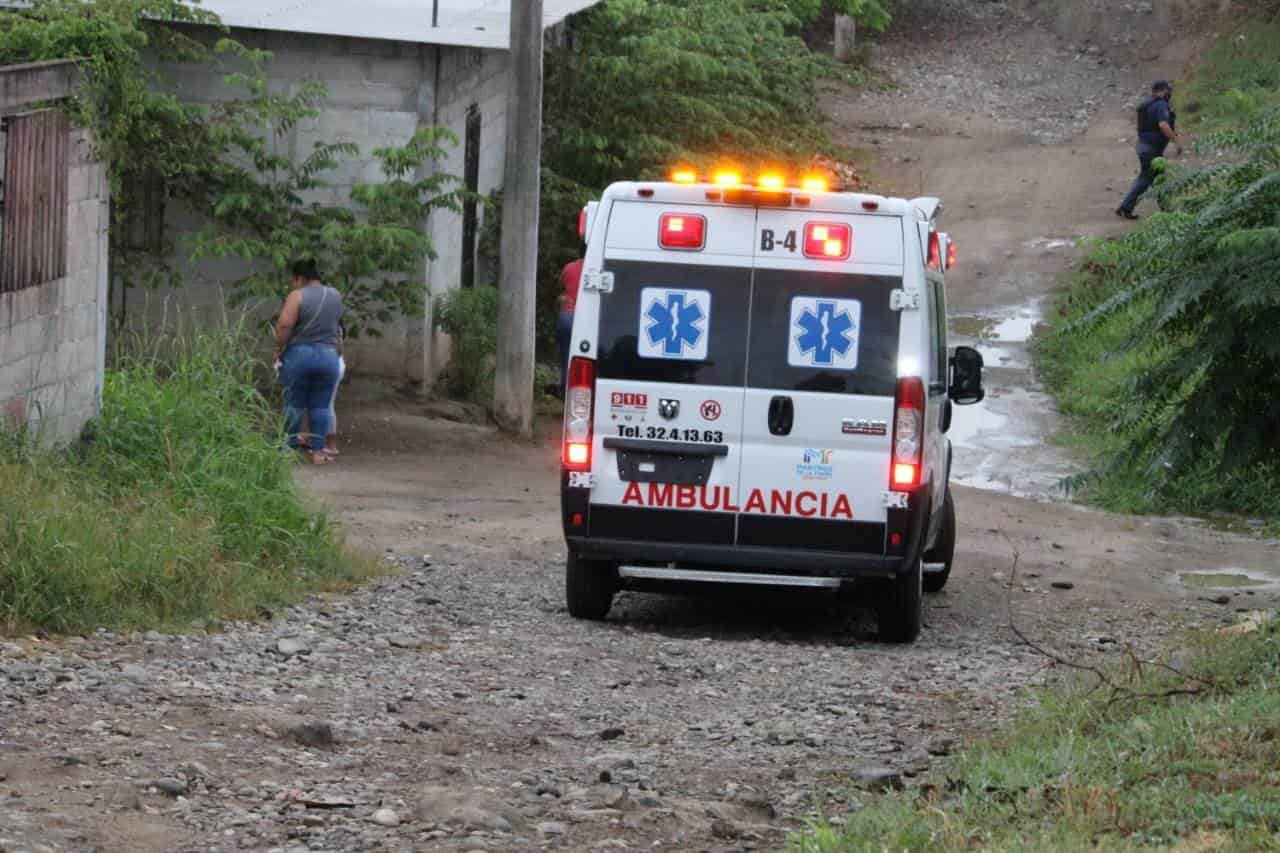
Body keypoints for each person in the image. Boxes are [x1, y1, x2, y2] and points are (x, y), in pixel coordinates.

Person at [274, 259, 344, 465]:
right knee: (321, 406)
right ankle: (318, 452)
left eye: (293, 281)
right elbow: (337, 327)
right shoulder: (336, 295)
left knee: (293, 404)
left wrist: (278, 347)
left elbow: (285, 325)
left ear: (299, 278)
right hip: (329, 357)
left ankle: (288, 449)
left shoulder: (297, 295)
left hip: (301, 355)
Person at [1117, 80, 1182, 220]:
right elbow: (1163, 124)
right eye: (1168, 91)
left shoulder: (1146, 103)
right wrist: (1176, 141)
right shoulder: (1160, 105)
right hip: (1151, 149)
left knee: (1158, 178)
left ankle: (1165, 208)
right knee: (1147, 179)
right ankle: (1125, 208)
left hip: (1144, 146)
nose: (1169, 94)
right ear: (1163, 90)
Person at [557, 252, 585, 390]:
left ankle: (564, 388)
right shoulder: (598, 267)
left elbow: (561, 285)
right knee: (584, 357)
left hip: (566, 315)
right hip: (585, 318)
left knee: (565, 355)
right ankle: (579, 389)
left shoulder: (569, 267)